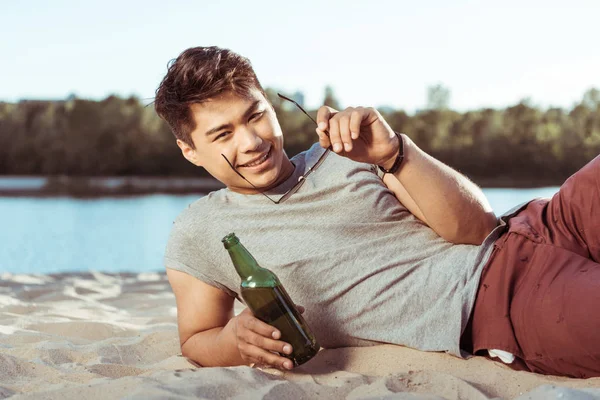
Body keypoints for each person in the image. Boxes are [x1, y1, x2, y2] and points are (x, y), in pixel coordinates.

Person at [154, 46, 599, 379]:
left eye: (255, 116)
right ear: (189, 150)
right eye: (223, 134)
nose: (250, 141)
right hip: (499, 303)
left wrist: (394, 153)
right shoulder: (200, 231)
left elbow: (479, 229)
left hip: (544, 223)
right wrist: (234, 341)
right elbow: (196, 340)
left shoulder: (347, 150)